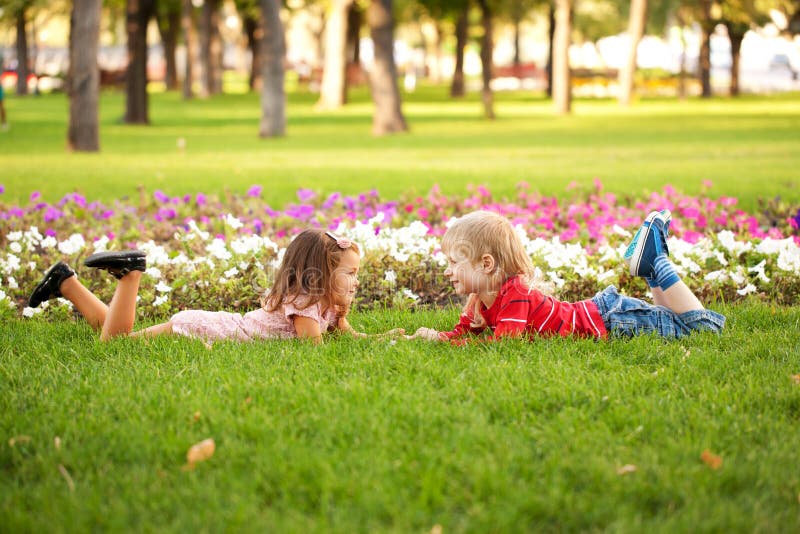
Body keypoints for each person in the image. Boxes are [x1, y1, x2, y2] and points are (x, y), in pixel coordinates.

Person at [28, 229, 399, 344]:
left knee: (120, 333)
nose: (355, 282)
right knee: (116, 344)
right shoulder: (305, 303)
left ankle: (66, 283)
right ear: (319, 274)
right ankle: (131, 275)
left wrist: (394, 337)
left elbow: (352, 340)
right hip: (205, 329)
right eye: (349, 274)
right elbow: (315, 350)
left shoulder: (327, 307)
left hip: (214, 324)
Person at [406, 210, 725, 343]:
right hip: (607, 313)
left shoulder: (515, 291)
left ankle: (657, 262)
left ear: (486, 264)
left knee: (702, 329)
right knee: (674, 319)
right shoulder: (480, 297)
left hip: (612, 321)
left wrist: (448, 345)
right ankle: (652, 271)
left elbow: (504, 343)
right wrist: (435, 337)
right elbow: (465, 333)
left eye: (453, 261)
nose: (447, 270)